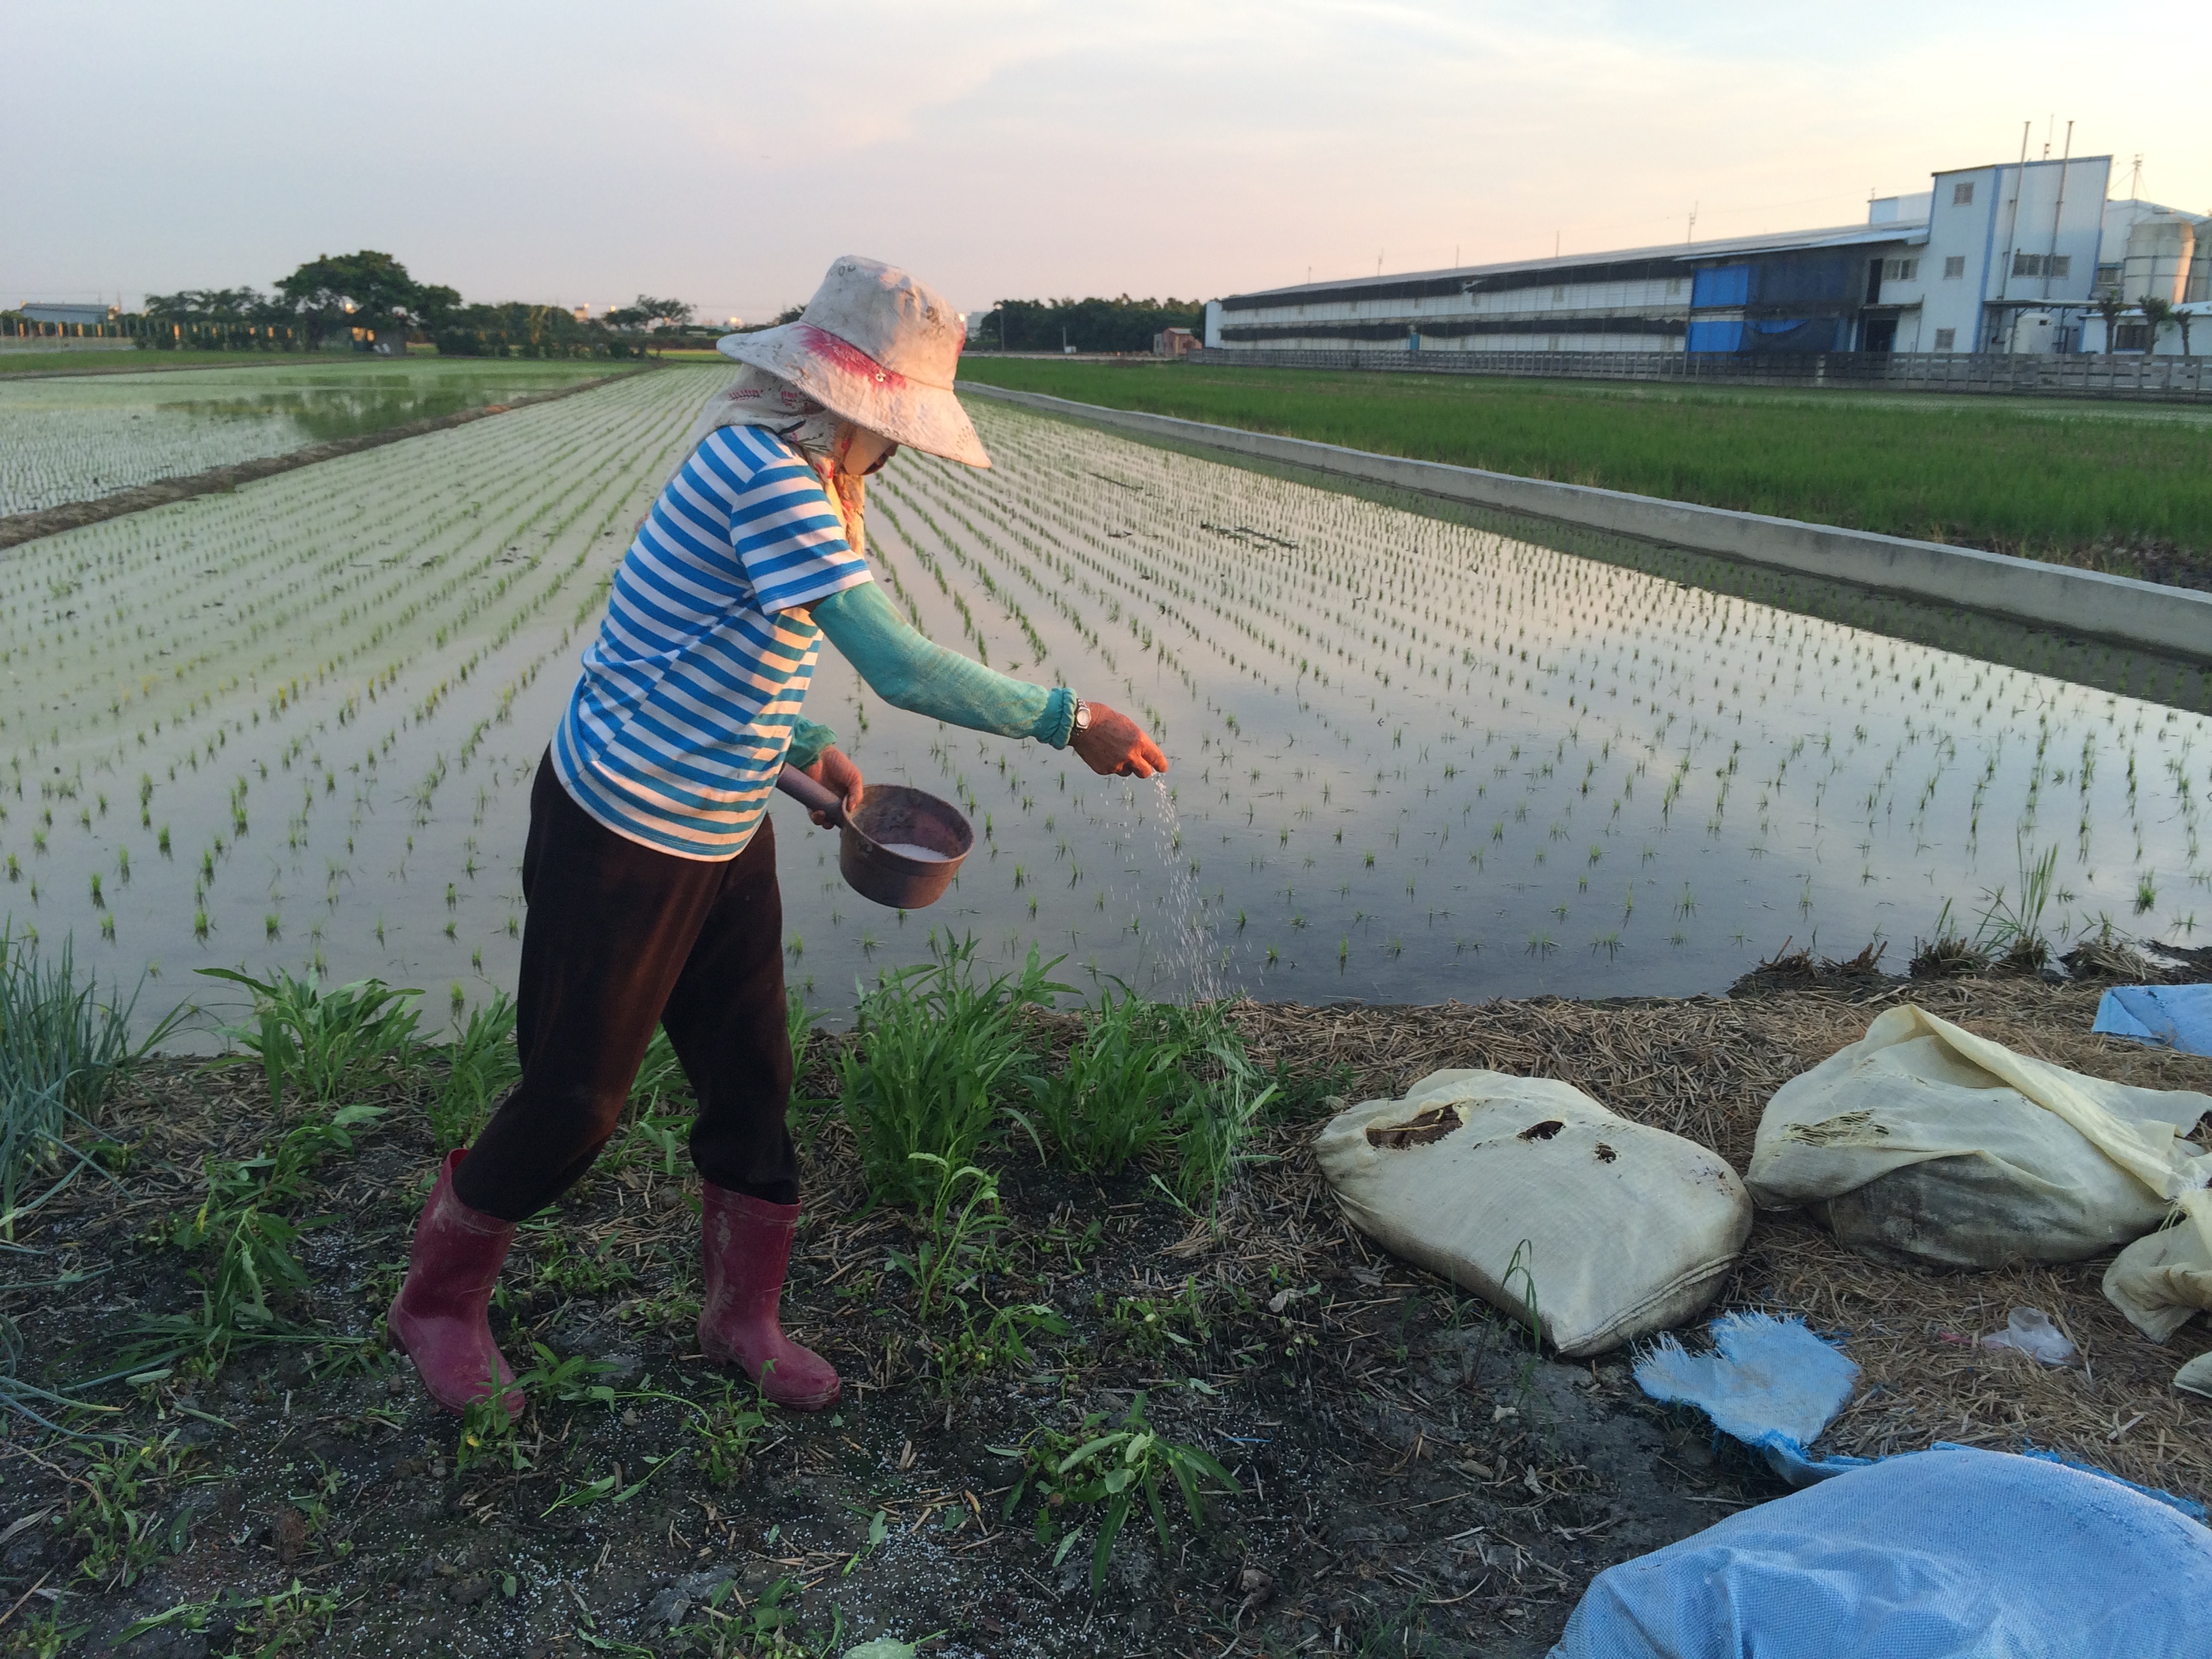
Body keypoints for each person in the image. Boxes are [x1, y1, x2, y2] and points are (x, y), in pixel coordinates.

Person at [386, 256, 1166, 1416]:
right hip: (625, 823)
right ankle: (437, 1304)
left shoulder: (793, 471)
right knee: (575, 1097)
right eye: (895, 429)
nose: (896, 451)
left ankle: (739, 1314)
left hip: (721, 817)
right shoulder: (774, 480)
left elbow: (705, 636)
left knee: (753, 1080)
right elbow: (898, 665)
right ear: (851, 410)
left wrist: (797, 744)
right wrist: (1074, 720)